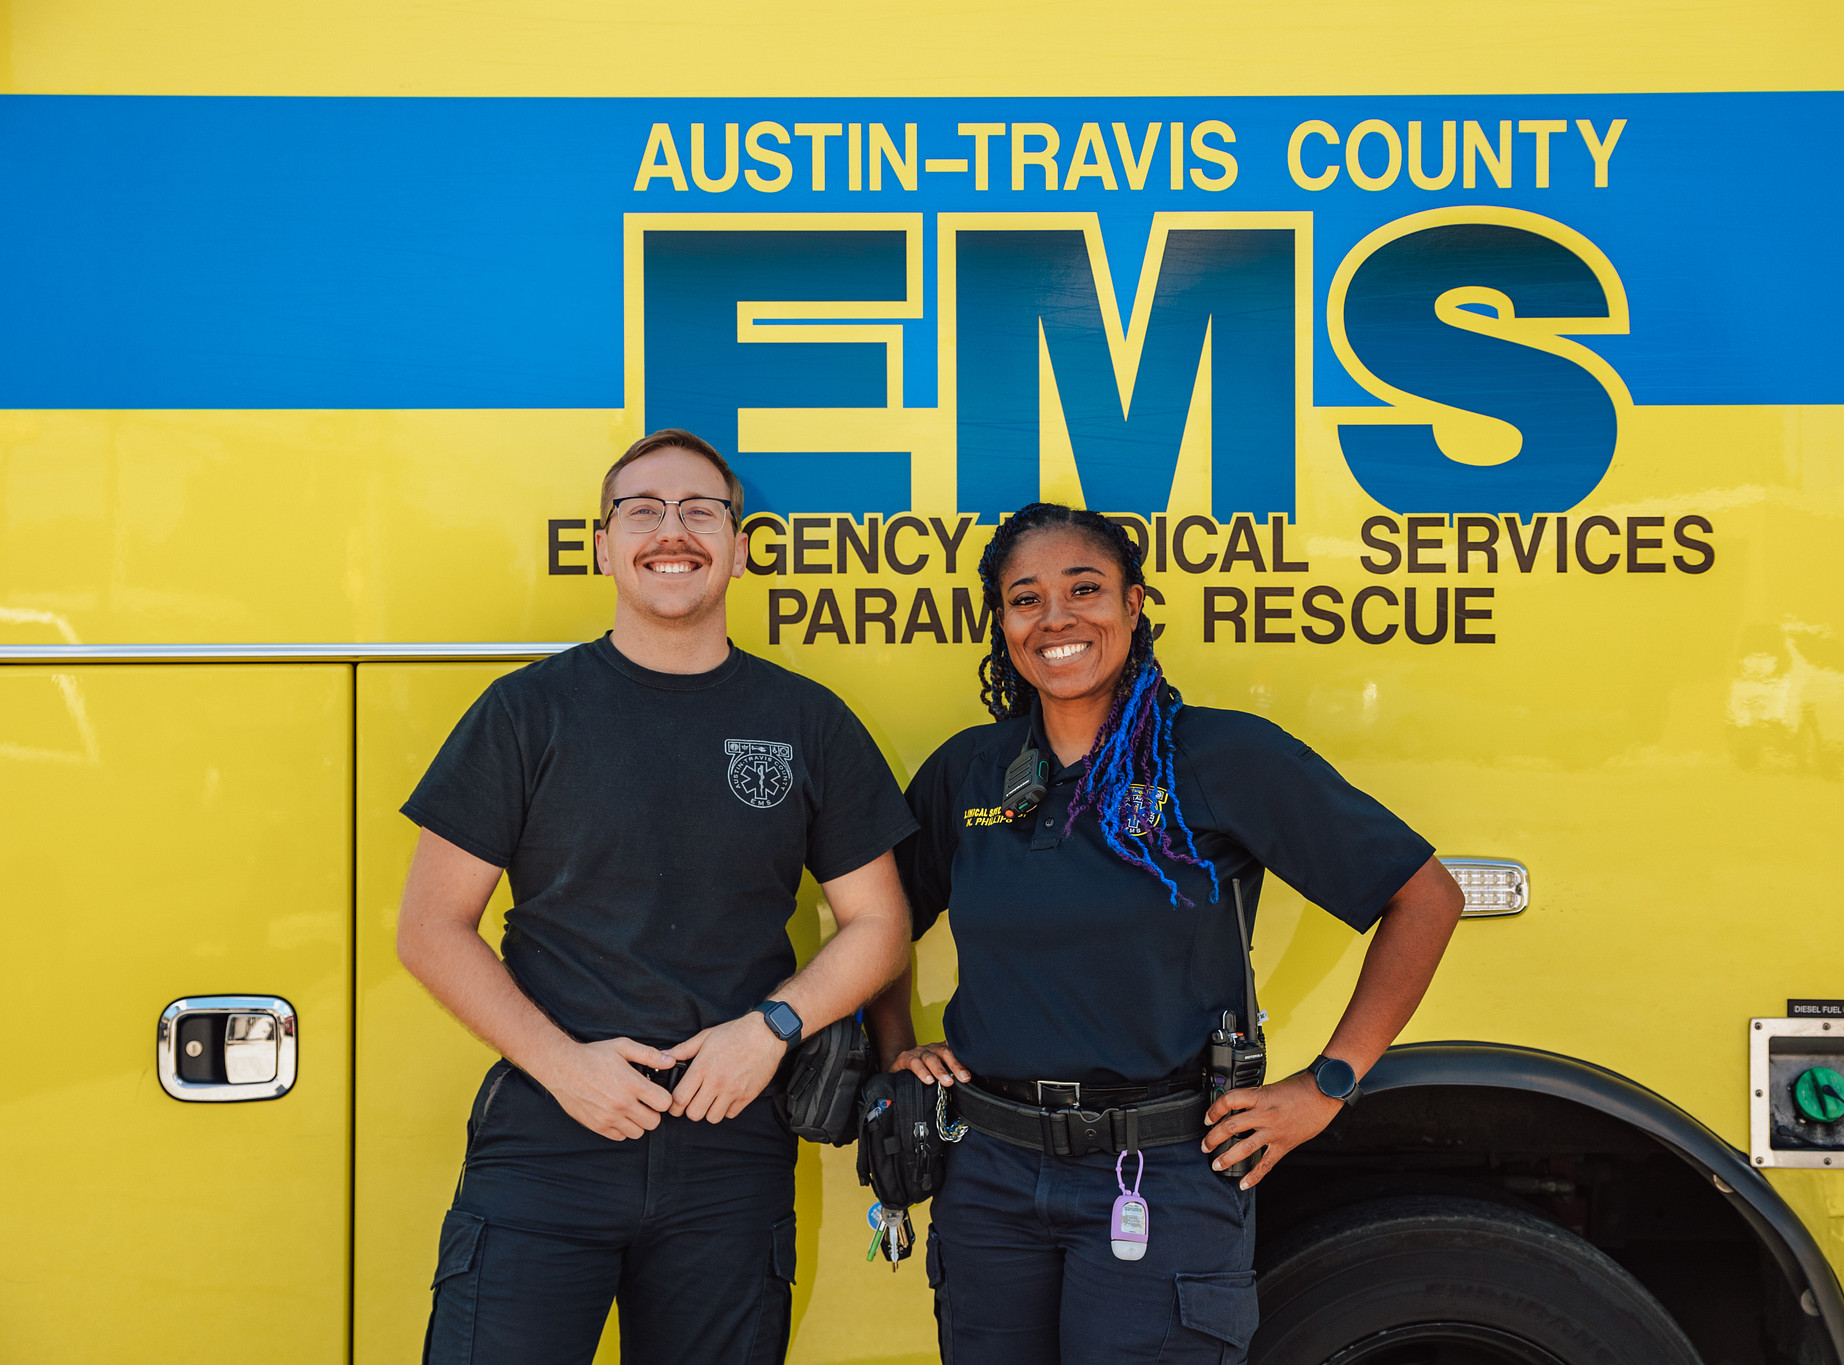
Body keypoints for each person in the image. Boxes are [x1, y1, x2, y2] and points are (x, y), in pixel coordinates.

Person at [870, 503, 1465, 1365]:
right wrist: (896, 1045)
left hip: (1159, 1174)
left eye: (1085, 589)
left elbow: (1425, 896)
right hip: (990, 1178)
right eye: (1025, 598)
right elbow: (880, 920)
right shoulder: (968, 769)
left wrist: (1329, 1083)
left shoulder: (1219, 756)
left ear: (1136, 603)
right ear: (1002, 625)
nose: (1057, 618)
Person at [395, 429, 917, 1365]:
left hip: (732, 1148)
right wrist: (564, 1066)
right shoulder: (526, 712)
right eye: (642, 510)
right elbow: (431, 928)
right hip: (549, 1139)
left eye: (699, 511)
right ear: (602, 544)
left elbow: (879, 925)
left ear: (741, 544)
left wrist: (771, 1028)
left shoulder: (807, 721)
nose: (670, 532)